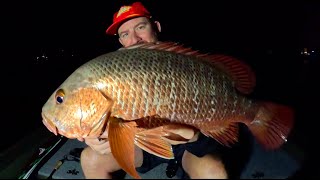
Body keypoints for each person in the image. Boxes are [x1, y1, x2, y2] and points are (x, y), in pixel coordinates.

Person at [78, 1, 253, 179]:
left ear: (156, 27)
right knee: (90, 158)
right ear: (121, 41)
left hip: (187, 146)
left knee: (212, 171)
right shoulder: (111, 75)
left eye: (140, 26)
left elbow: (210, 137)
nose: (135, 38)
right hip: (144, 146)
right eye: (125, 33)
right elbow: (112, 123)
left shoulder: (181, 61)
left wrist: (194, 138)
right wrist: (99, 137)